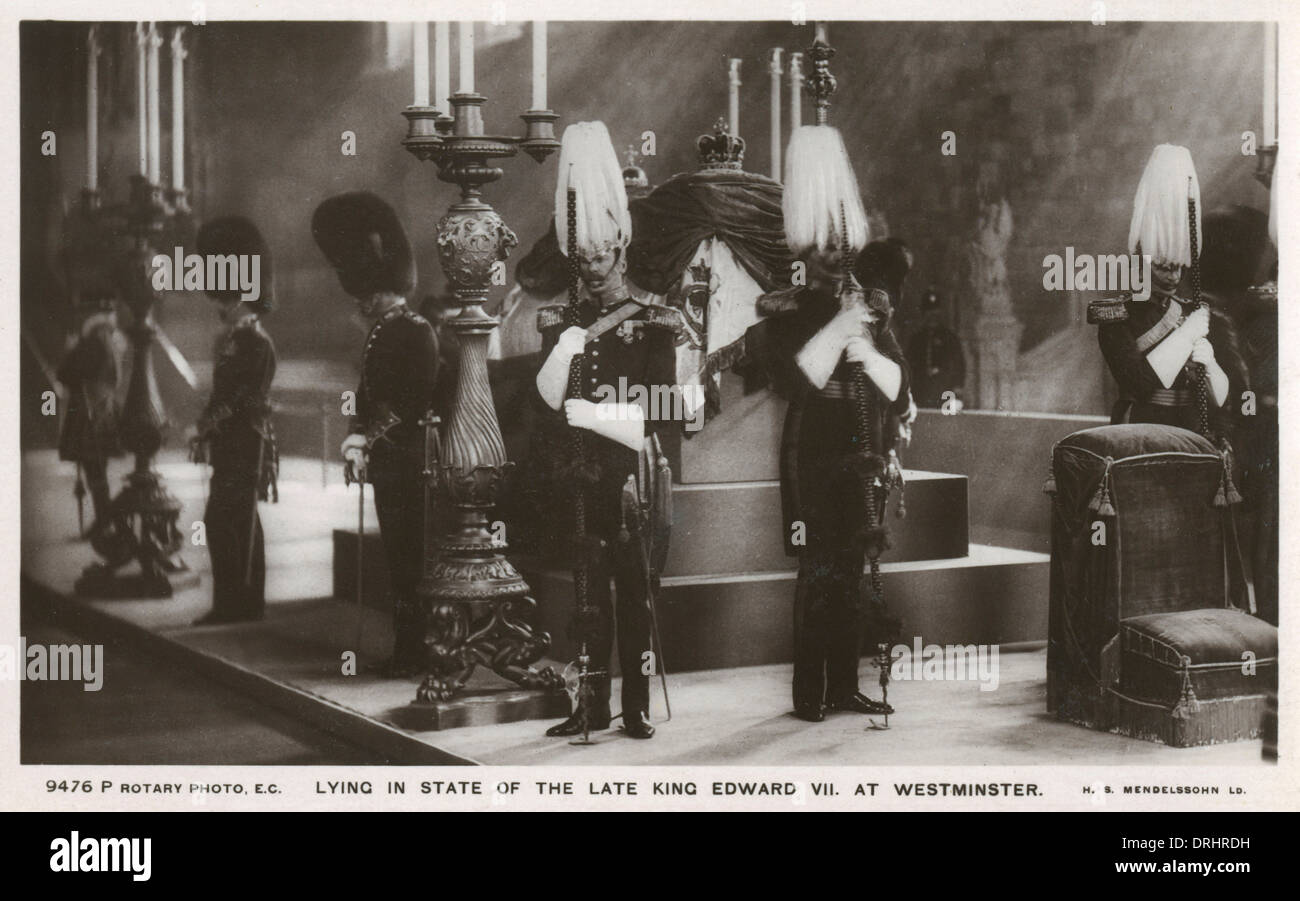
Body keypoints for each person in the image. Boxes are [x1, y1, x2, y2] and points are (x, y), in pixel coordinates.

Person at [743, 125, 912, 723]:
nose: (837, 253)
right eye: (825, 243)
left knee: (857, 567)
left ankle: (844, 685)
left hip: (864, 447)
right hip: (812, 451)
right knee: (818, 571)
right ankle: (809, 694)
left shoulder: (873, 308)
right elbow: (794, 382)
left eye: (844, 242)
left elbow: (900, 389)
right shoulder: (787, 310)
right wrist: (842, 330)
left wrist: (870, 351)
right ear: (806, 247)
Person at [534, 121, 680, 740]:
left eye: (601, 255)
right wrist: (563, 351)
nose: (592, 267)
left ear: (621, 248)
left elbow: (664, 409)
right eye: (583, 256)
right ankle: (588, 707)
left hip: (632, 475)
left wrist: (596, 415)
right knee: (586, 594)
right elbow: (546, 398)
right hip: (577, 474)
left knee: (634, 595)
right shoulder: (562, 318)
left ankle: (637, 706)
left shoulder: (653, 322)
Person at [312, 192, 438, 676]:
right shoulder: (384, 329)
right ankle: (407, 647)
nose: (362, 302)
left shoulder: (415, 329)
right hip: (388, 461)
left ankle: (417, 649)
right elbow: (366, 394)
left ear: (387, 288)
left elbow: (413, 402)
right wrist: (354, 436)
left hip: (410, 461)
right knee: (396, 559)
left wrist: (369, 438)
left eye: (370, 294)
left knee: (410, 561)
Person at [1094, 145, 1249, 437]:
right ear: (1143, 262)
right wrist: (1186, 336)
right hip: (1139, 433)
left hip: (1188, 434)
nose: (1173, 276)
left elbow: (1225, 400)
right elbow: (1139, 383)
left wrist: (1210, 364)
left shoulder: (1195, 312)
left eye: (1179, 267)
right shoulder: (1116, 318)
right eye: (1164, 267)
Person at [191, 217, 277, 625]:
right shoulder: (233, 341)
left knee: (231, 519)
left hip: (247, 441)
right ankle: (239, 602)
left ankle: (239, 604)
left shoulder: (255, 343)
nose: (219, 307)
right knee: (232, 519)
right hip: (231, 442)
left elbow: (245, 398)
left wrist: (212, 420)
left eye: (224, 301)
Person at [57, 294, 125, 536]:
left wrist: (71, 350)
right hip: (104, 410)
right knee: (98, 468)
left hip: (88, 413)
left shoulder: (91, 345)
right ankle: (104, 519)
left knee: (94, 469)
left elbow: (65, 374)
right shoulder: (111, 346)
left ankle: (104, 520)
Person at [905, 286, 965, 407]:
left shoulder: (950, 339)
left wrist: (957, 393)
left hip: (945, 394)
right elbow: (908, 367)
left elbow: (959, 366)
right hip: (921, 394)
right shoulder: (916, 340)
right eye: (929, 314)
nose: (932, 318)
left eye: (936, 314)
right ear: (923, 315)